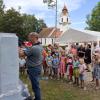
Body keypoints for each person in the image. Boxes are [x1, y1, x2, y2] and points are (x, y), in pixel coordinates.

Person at [19, 32, 43, 100]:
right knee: (36, 85)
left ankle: (38, 99)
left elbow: (21, 54)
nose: (29, 39)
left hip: (33, 69)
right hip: (37, 67)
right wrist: (27, 48)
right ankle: (37, 98)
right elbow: (30, 50)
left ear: (34, 37)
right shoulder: (39, 46)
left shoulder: (34, 48)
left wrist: (19, 48)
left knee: (35, 86)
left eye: (30, 37)